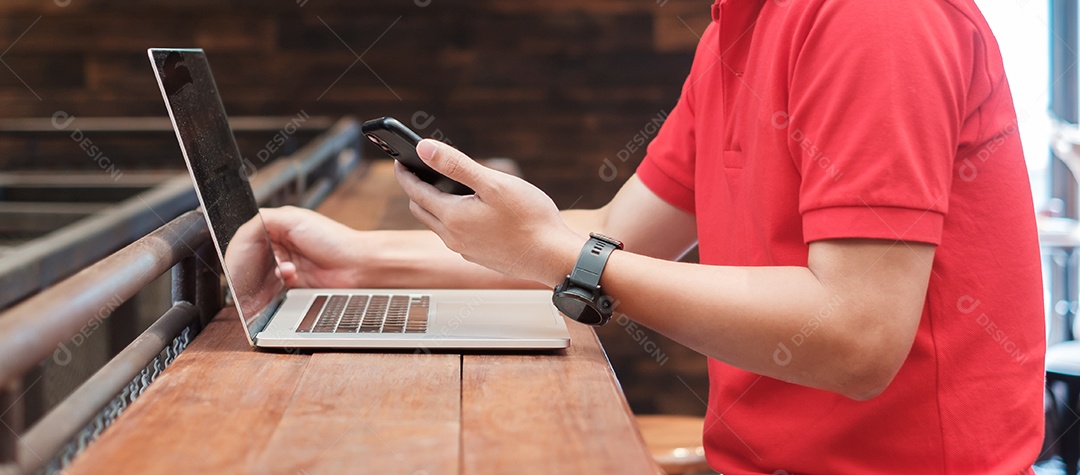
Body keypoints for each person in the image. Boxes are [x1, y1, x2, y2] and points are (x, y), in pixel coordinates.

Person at [261, 0, 1045, 472]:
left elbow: (857, 331)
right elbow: (613, 234)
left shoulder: (872, 20)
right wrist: (360, 255)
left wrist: (564, 255)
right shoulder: (732, 36)